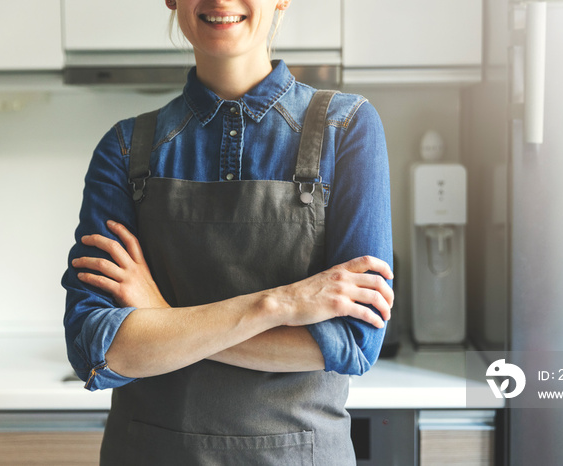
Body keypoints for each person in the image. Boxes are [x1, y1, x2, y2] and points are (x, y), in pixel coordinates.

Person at [62, 0, 394, 464]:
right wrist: (278, 305)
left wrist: (161, 317)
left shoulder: (347, 129)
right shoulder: (124, 149)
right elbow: (96, 348)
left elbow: (354, 343)